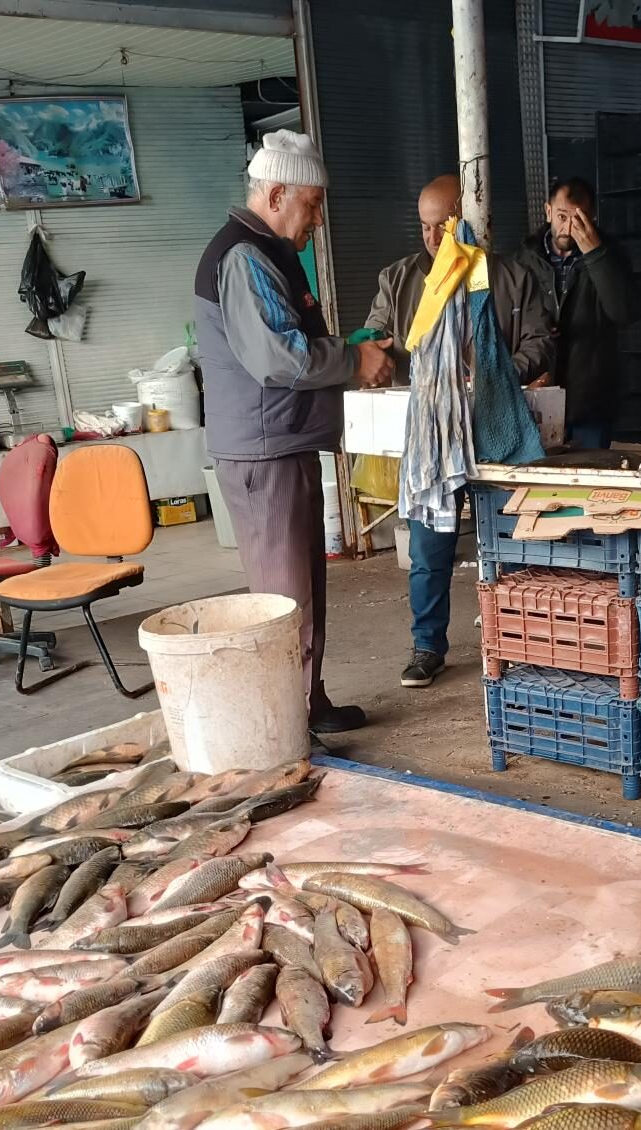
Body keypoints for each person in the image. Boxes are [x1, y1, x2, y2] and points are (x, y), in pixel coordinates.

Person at [194, 130, 395, 734]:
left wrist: (346, 350)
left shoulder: (266, 251)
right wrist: (353, 362)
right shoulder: (244, 255)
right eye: (311, 206)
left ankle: (307, 702)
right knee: (283, 600)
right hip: (263, 453)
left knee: (303, 590)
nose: (318, 222)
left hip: (283, 443)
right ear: (276, 194)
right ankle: (284, 724)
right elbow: (280, 358)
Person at [363, 174, 555, 690]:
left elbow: (540, 342)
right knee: (429, 548)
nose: (430, 238)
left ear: (466, 219)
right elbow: (380, 340)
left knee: (515, 544)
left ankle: (524, 638)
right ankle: (428, 645)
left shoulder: (512, 276)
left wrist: (500, 371)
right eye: (423, 227)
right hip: (434, 432)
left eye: (440, 225)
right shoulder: (401, 279)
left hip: (498, 423)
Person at [513, 177, 630, 449]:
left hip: (590, 394)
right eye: (562, 216)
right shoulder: (524, 257)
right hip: (537, 391)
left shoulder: (611, 254)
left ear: (592, 217)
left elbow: (623, 311)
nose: (567, 227)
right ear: (548, 211)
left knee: (587, 479)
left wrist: (595, 253)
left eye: (578, 218)